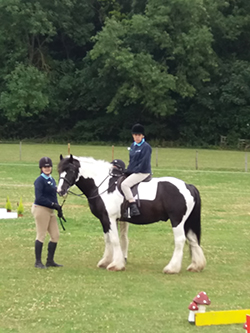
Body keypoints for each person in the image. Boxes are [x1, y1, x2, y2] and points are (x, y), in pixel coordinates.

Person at [31, 157, 63, 269]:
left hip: (50, 210)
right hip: (41, 209)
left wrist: (58, 207)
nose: (47, 168)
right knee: (41, 235)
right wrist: (53, 205)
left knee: (55, 235)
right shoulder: (39, 181)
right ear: (41, 168)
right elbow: (39, 198)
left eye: (49, 166)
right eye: (45, 167)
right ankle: (38, 262)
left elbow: (53, 196)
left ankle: (50, 261)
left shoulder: (51, 179)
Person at [121, 123, 152, 216]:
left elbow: (144, 163)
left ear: (142, 136)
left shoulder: (146, 147)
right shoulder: (133, 146)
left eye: (139, 135)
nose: (137, 137)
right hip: (134, 171)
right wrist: (127, 170)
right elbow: (132, 161)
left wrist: (132, 171)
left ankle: (133, 206)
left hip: (142, 172)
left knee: (125, 184)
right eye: (135, 135)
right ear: (132, 135)